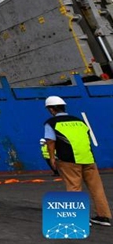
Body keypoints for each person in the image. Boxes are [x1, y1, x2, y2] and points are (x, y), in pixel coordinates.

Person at [44, 95, 111, 227]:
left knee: (74, 187)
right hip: (88, 158)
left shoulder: (51, 123)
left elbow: (50, 142)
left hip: (68, 160)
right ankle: (103, 217)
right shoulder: (79, 121)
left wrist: (52, 158)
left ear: (51, 110)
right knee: (97, 188)